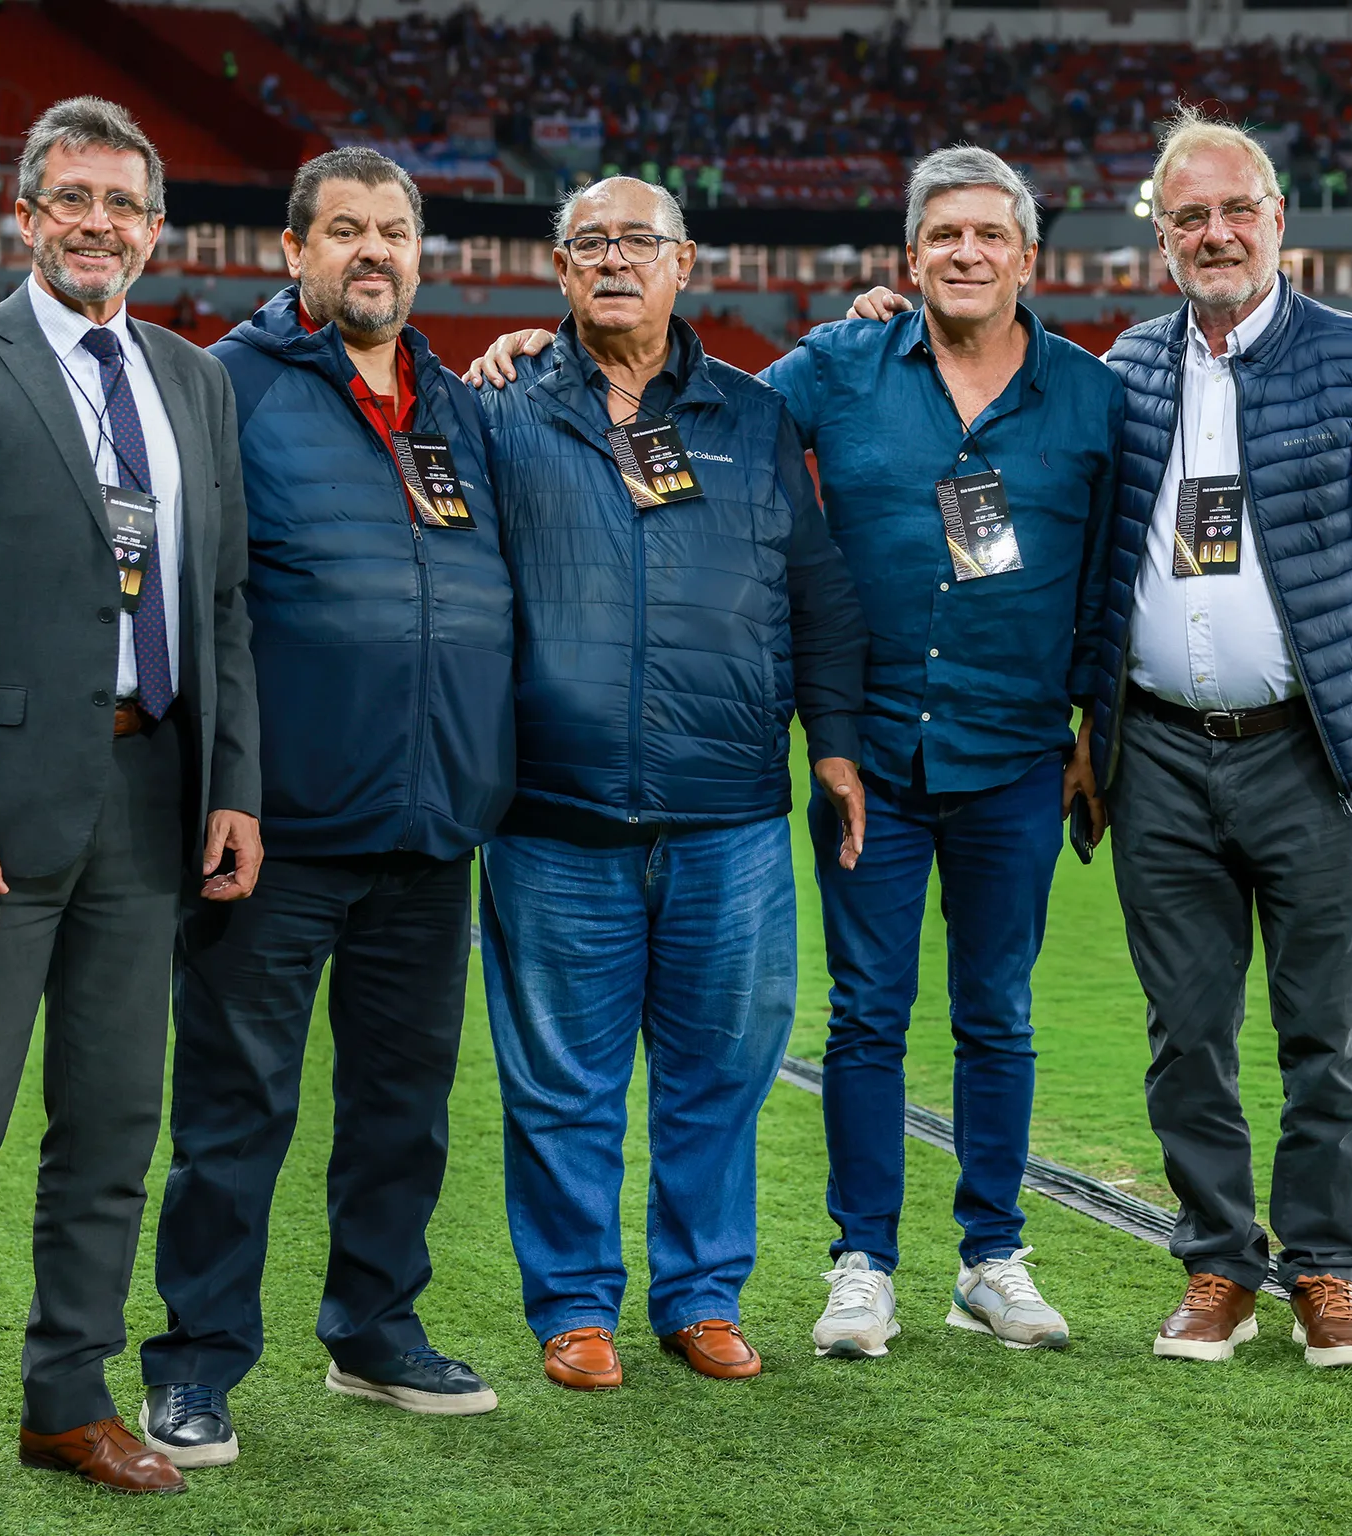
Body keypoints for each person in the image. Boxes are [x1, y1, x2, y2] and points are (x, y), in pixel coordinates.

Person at [472, 146, 1122, 1364]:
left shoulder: (1084, 394)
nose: (967, 254)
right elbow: (670, 406)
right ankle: (824, 1268)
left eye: (990, 234)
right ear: (910, 258)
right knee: (842, 1019)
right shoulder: (819, 370)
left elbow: (1101, 573)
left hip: (995, 755)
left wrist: (1095, 724)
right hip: (809, 767)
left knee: (976, 1017)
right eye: (943, 236)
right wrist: (525, 351)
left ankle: (960, 1259)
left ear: (1028, 256)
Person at [0, 96, 261, 1533]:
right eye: (72, 199)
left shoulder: (191, 379)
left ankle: (68, 1403)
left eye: (123, 204)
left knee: (111, 1133)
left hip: (151, 802)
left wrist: (232, 784)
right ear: (25, 216)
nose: (99, 225)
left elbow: (221, 605)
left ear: (155, 229)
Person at [138, 148, 515, 1467]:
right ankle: (196, 1364)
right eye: (345, 229)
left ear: (419, 253)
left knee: (404, 1108)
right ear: (293, 250)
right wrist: (223, 785)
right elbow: (196, 606)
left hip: (430, 824)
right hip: (273, 832)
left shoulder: (455, 404)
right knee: (236, 1109)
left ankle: (375, 1330)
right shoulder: (225, 386)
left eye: (394, 231)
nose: (374, 251)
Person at [473, 176, 868, 1392]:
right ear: (558, 270)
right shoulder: (498, 410)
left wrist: (835, 743)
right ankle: (575, 1306)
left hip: (728, 814)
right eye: (588, 242)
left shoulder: (754, 417)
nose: (614, 260)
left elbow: (818, 593)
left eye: (637, 241)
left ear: (683, 263)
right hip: (553, 812)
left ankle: (701, 1295)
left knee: (719, 1075)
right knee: (560, 1083)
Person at [1090, 109, 1352, 1367]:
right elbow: (1093, 566)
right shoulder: (1126, 368)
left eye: (1236, 209)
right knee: (1185, 1032)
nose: (1215, 233)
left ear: (1278, 220)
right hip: (1157, 756)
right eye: (1188, 215)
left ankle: (1325, 1269)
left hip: (1313, 754)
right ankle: (1216, 1265)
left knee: (1327, 1035)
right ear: (1161, 237)